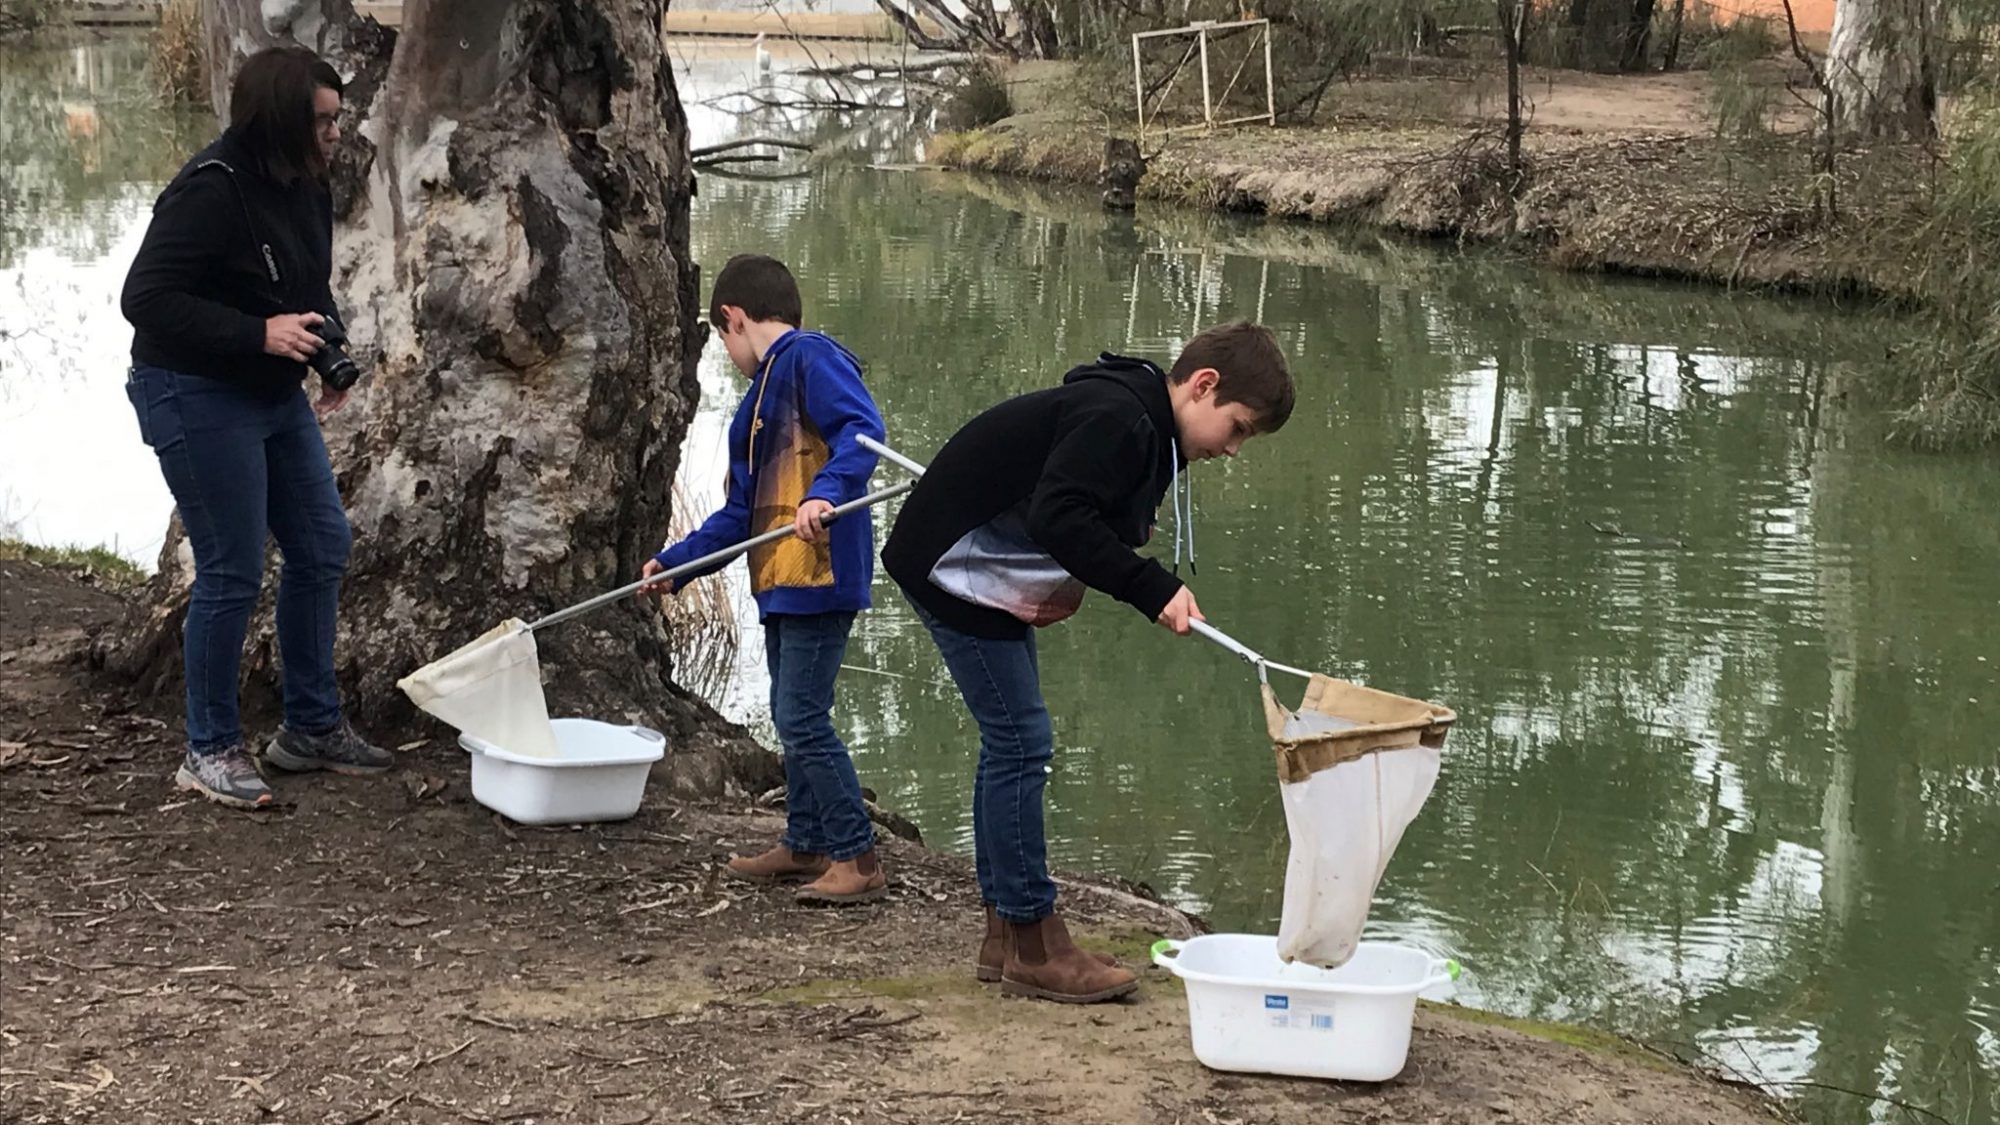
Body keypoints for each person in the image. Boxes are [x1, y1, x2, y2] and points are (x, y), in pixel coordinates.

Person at [881, 320, 1295, 1002]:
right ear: (1203, 385)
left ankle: (1006, 935)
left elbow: (1078, 499)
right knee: (1021, 740)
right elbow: (1059, 516)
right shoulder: (1121, 416)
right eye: (1240, 428)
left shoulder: (1141, 423)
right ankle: (1033, 942)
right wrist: (1149, 585)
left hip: (971, 565)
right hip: (951, 563)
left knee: (1012, 741)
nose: (1237, 448)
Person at [120, 45, 389, 811]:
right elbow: (144, 298)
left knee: (321, 544)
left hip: (269, 392)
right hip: (191, 389)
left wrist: (325, 352)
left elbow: (300, 289)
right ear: (281, 118)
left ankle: (309, 728)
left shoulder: (304, 184)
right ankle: (207, 749)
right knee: (232, 567)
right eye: (325, 119)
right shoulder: (210, 190)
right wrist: (258, 336)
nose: (338, 132)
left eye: (340, 117)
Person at [642, 254, 888, 905]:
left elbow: (862, 432)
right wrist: (677, 564)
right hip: (780, 584)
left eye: (723, 338)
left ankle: (856, 856)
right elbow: (737, 517)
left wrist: (825, 494)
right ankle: (805, 840)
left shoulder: (811, 357)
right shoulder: (754, 403)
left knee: (801, 716)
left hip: (822, 575)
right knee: (794, 712)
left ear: (733, 317)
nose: (727, 351)